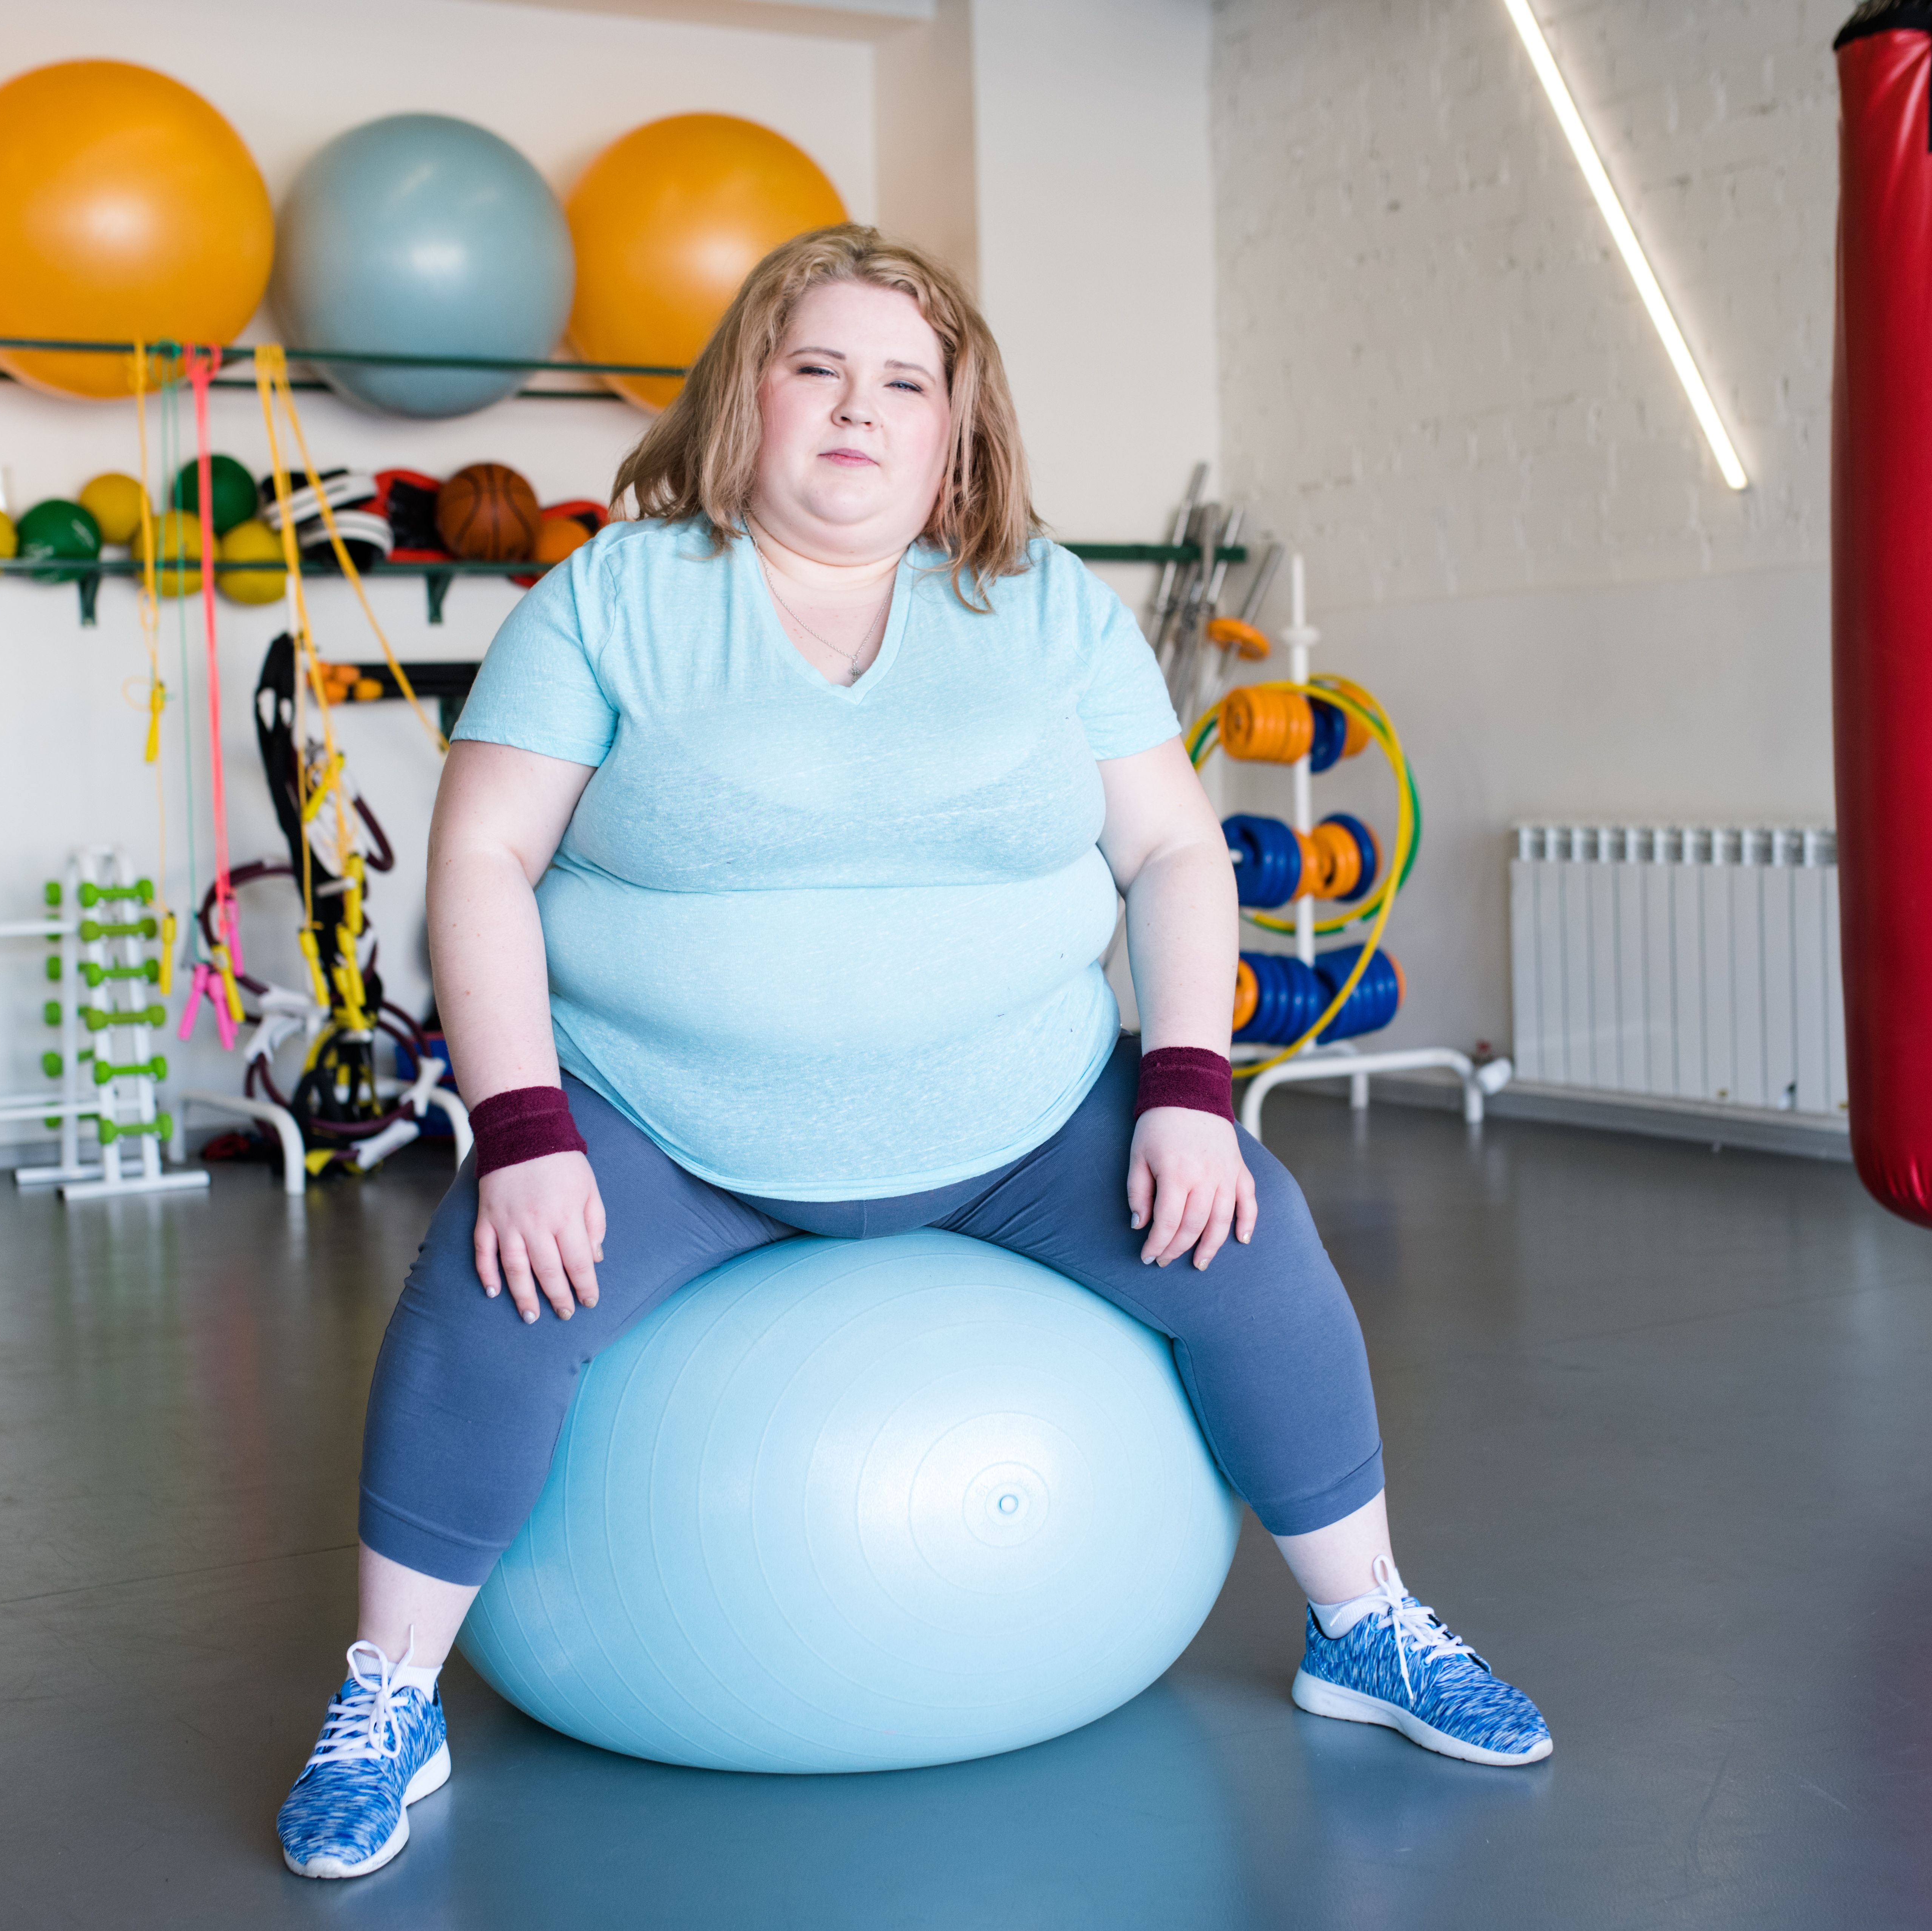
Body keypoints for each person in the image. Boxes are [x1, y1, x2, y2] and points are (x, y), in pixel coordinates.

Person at [275, 226, 1550, 1880]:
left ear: (958, 427)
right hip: (670, 1125)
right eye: (816, 370)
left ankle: (1361, 1626)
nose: (856, 413)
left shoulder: (1046, 612)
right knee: (492, 1297)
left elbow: (1170, 855)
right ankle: (391, 1697)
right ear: (745, 393)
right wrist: (521, 1129)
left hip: (1019, 1120)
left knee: (1254, 1239)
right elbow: (482, 865)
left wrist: (1183, 1095)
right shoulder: (611, 601)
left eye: (904, 383)